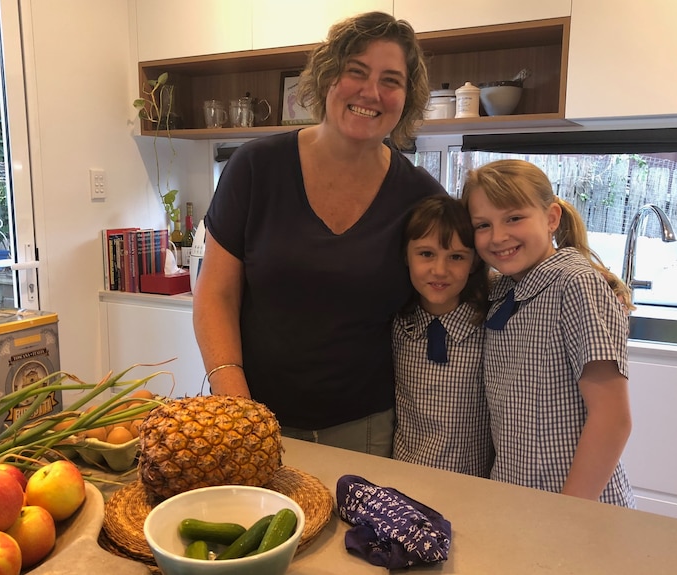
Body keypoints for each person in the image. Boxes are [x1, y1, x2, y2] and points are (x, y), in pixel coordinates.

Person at [192, 11, 446, 456]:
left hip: (368, 429)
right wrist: (237, 407)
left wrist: (570, 270)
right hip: (253, 414)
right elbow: (215, 294)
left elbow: (475, 264)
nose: (371, 92)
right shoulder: (255, 167)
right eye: (356, 72)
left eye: (391, 80)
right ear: (329, 77)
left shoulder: (418, 195)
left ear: (407, 98)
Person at [461, 159, 635, 507]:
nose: (498, 237)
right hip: (516, 500)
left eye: (514, 218)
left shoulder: (575, 284)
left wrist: (567, 513)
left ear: (551, 218)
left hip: (576, 506)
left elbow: (612, 419)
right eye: (483, 225)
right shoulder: (502, 292)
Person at [392, 195, 493, 477]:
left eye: (456, 257)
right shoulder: (396, 323)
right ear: (405, 255)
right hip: (405, 482)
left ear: (474, 262)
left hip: (473, 487)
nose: (440, 270)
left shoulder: (492, 327)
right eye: (426, 254)